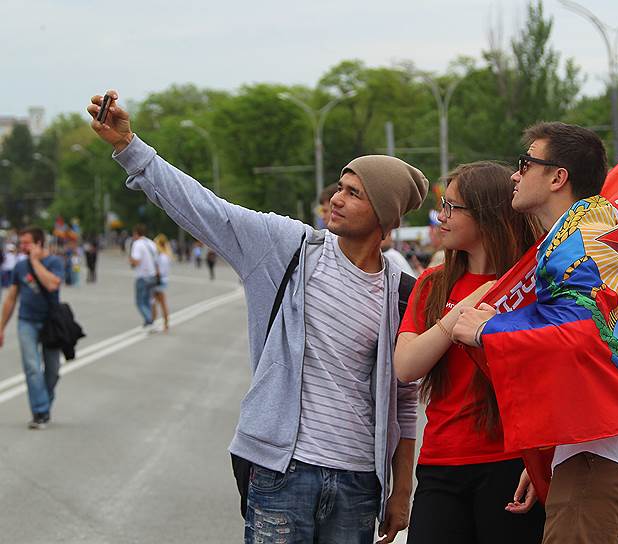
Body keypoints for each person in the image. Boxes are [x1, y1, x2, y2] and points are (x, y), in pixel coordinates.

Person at [88, 90, 428, 544]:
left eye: (354, 194)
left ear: (385, 216)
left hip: (358, 482)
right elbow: (204, 208)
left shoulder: (400, 292)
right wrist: (129, 147)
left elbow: (404, 401)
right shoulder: (286, 247)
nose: (337, 200)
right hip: (282, 473)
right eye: (340, 187)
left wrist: (400, 488)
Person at [452, 122, 618, 544]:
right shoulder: (604, 228)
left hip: (603, 452)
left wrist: (488, 327)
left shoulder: (580, 245)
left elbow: (580, 331)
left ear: (558, 177)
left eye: (526, 163)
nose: (515, 176)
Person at [394, 162, 545, 544]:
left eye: (451, 207)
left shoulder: (533, 285)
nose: (440, 217)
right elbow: (406, 367)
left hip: (510, 464)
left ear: (488, 214)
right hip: (441, 463)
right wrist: (461, 314)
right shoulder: (433, 284)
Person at [0, 227, 64, 429]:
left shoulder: (54, 262)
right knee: (33, 369)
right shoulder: (19, 267)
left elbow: (53, 284)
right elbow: (11, 298)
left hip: (50, 323)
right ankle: (40, 412)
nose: (22, 247)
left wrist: (35, 262)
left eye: (27, 243)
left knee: (52, 371)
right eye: (21, 243)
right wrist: (1, 327)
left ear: (39, 243)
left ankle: (42, 406)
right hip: (26, 321)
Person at [129, 224, 160, 330]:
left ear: (136, 233)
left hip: (142, 276)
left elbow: (137, 261)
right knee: (147, 300)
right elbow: (156, 260)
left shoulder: (137, 244)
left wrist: (130, 260)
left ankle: (150, 320)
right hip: (152, 275)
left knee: (140, 302)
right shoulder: (151, 243)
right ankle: (148, 321)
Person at [151, 234, 172, 332]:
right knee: (158, 303)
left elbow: (160, 271)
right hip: (163, 281)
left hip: (159, 281)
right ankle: (163, 323)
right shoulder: (166, 255)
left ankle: (157, 322)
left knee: (156, 303)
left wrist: (153, 273)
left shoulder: (162, 257)